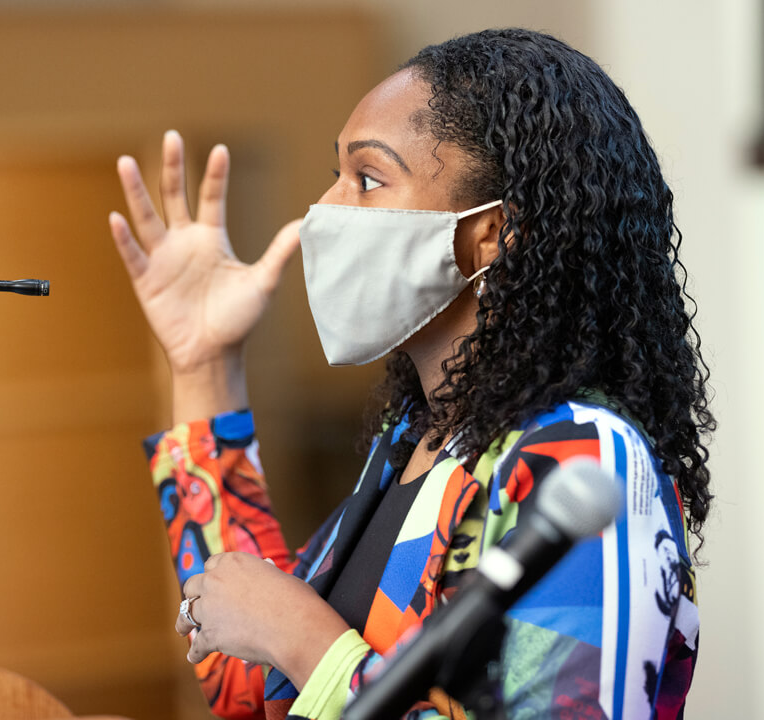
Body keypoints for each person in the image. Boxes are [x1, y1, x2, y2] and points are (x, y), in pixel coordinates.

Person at [108, 28, 713, 720]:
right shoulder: (415, 443)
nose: (325, 211)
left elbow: (292, 641)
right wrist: (205, 361)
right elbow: (244, 661)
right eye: (334, 173)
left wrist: (306, 640)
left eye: (367, 178)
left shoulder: (581, 463)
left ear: (490, 234)